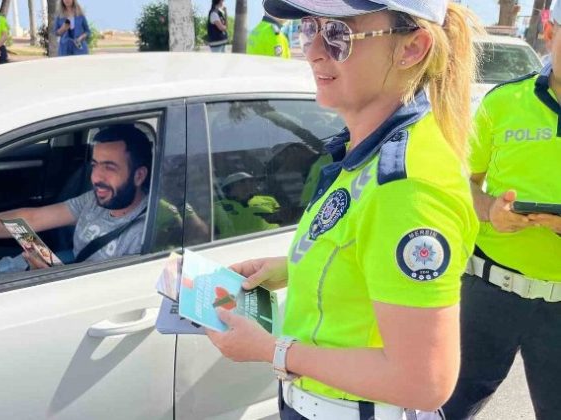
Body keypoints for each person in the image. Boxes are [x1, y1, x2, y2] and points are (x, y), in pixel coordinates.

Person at [205, 0, 481, 419]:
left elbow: (424, 381)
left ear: (412, 48)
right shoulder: (370, 146)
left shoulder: (407, 185)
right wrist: (296, 265)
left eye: (338, 35)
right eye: (310, 29)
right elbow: (365, 252)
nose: (313, 50)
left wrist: (271, 350)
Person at [441, 3, 561, 420]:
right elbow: (464, 181)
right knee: (445, 407)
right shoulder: (502, 101)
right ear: (550, 32)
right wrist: (490, 209)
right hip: (489, 293)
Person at [0, 124, 152, 268]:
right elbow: (28, 220)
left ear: (139, 176)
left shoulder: (147, 231)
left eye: (109, 167)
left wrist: (52, 278)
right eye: (95, 164)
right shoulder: (94, 200)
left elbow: (117, 304)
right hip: (66, 267)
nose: (96, 177)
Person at [214, 172, 281, 239]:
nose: (249, 184)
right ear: (230, 188)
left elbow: (285, 219)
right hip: (237, 244)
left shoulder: (269, 199)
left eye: (251, 181)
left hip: (275, 238)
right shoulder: (217, 206)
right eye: (243, 182)